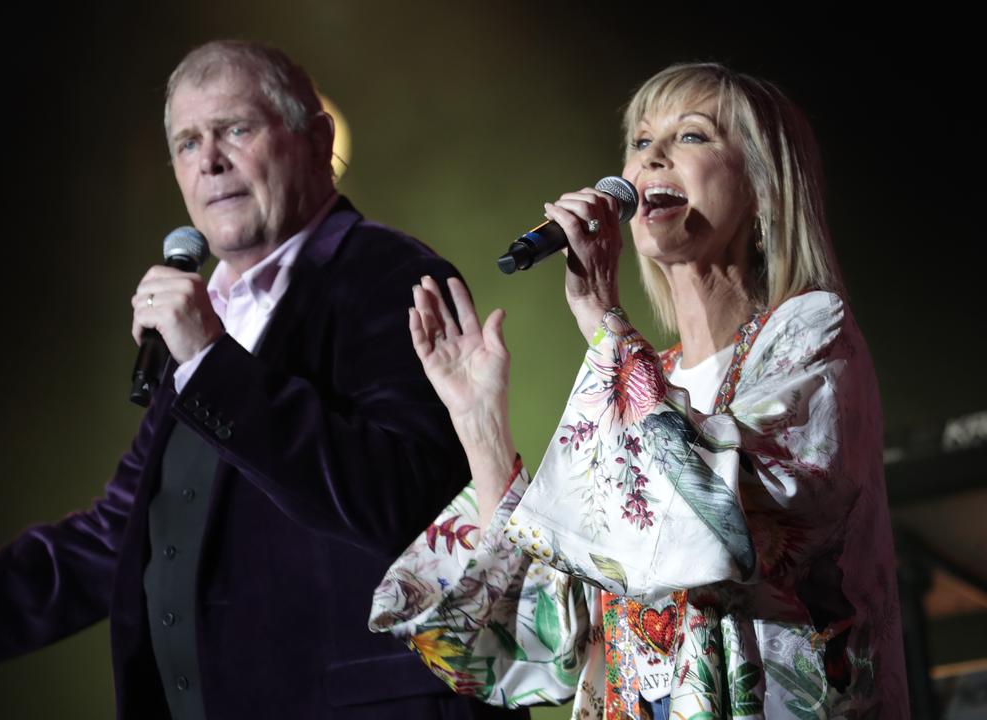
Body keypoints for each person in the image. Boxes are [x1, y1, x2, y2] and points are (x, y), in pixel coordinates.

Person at [0, 40, 523, 720]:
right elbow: (117, 537)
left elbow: (403, 499)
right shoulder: (203, 318)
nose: (208, 161)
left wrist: (212, 363)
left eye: (235, 130)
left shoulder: (388, 276)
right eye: (186, 143)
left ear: (317, 140)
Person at [370, 63, 907, 718]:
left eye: (691, 137)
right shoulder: (642, 375)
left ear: (765, 189)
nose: (650, 156)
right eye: (640, 139)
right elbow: (547, 628)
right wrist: (480, 422)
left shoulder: (810, 332)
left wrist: (602, 318)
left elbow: (723, 529)